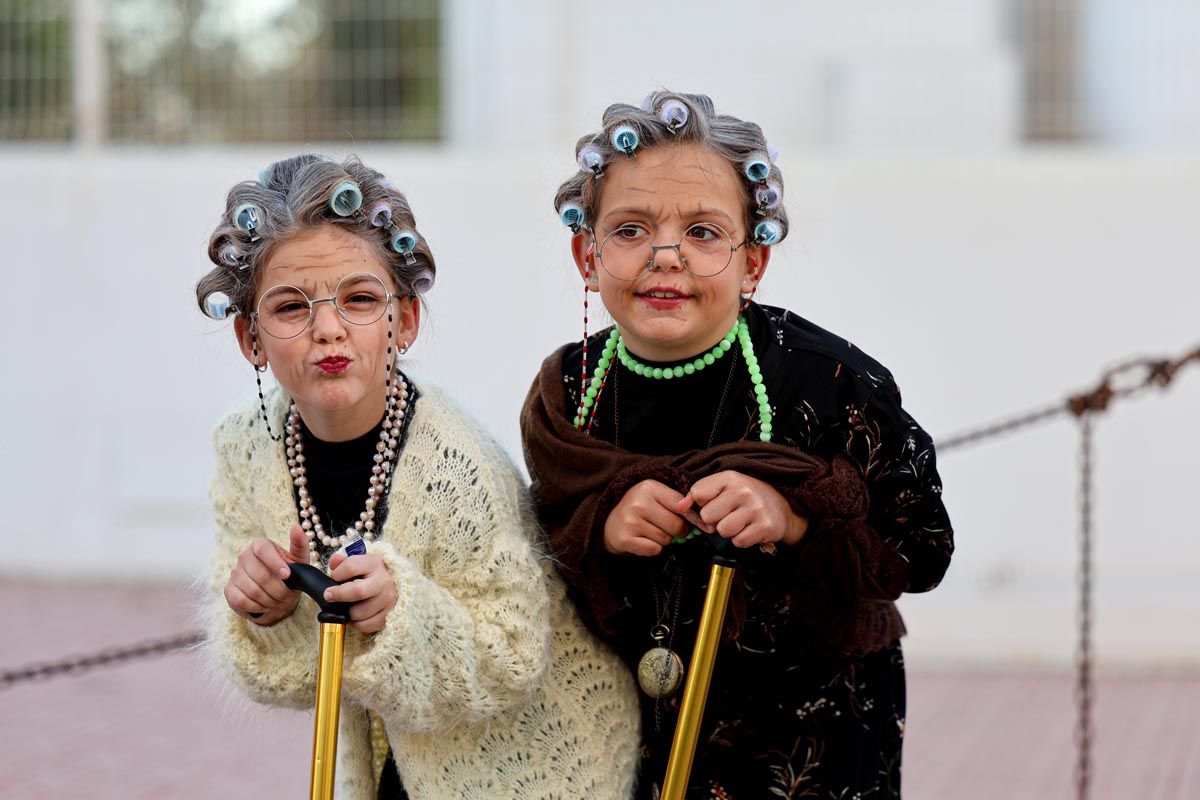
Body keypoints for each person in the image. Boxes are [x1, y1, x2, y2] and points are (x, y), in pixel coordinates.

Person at [521, 92, 954, 798]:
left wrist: (797, 516)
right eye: (631, 229)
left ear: (753, 262)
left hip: (804, 743)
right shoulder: (569, 389)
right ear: (586, 253)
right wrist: (602, 522)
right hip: (628, 735)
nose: (667, 258)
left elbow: (923, 546)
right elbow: (542, 532)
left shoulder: (832, 380)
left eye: (703, 232)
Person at [197, 154, 639, 799]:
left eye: (360, 299)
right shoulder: (244, 447)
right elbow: (291, 672)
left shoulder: (454, 465)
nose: (328, 329)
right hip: (393, 759)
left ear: (403, 320)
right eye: (291, 308)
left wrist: (401, 611)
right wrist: (266, 611)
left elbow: (511, 655)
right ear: (251, 339)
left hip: (533, 764)